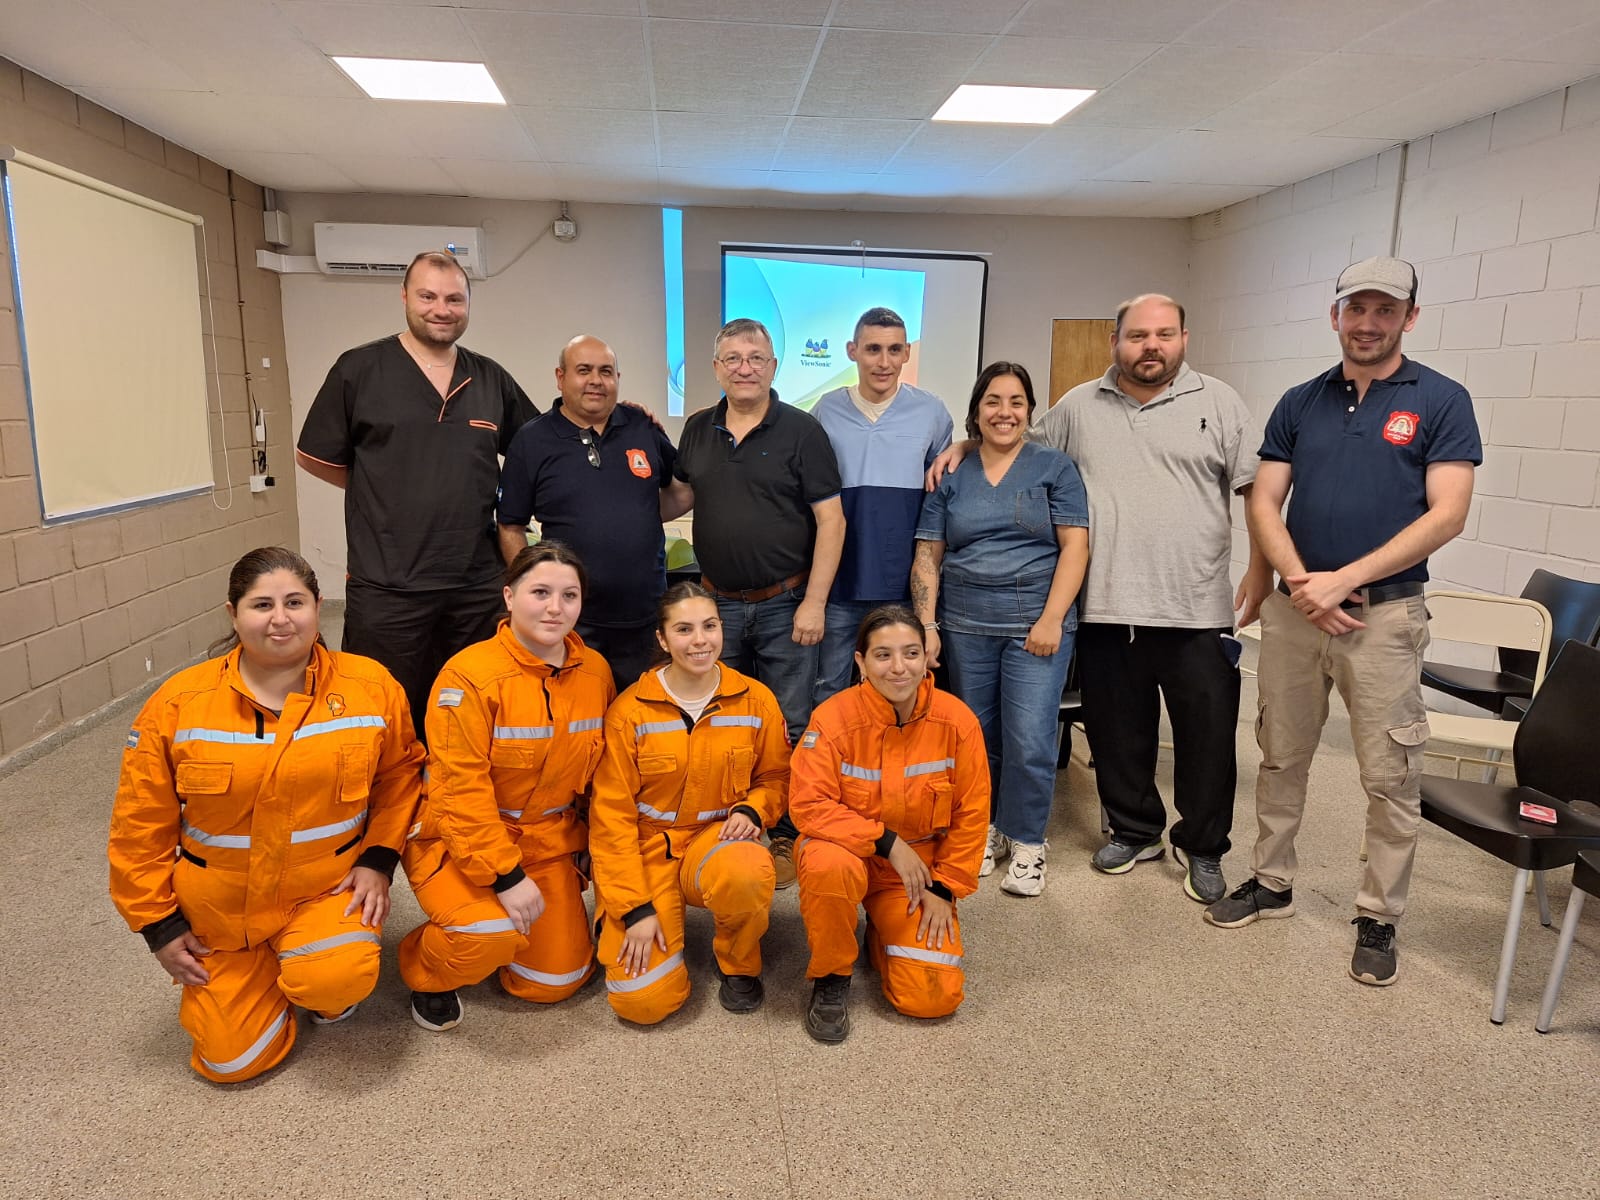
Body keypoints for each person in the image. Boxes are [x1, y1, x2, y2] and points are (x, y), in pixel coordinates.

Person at [1203, 257, 1481, 988]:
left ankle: (1378, 916)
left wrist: (1345, 580)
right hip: (1297, 613)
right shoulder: (1300, 402)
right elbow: (1265, 501)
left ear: (1409, 317)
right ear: (1335, 316)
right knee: (1280, 753)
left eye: (1385, 310)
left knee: (1389, 773)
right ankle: (1271, 881)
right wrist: (1302, 584)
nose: (1368, 323)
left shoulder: (1441, 400)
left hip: (1383, 617)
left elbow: (1448, 513)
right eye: (1355, 308)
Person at [108, 547, 424, 1083]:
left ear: (318, 607)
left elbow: (401, 776)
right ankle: (264, 976)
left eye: (295, 602)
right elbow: (139, 826)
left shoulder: (370, 687)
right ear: (233, 614)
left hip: (326, 888)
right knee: (229, 1062)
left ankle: (314, 975)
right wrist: (158, 925)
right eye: (262, 605)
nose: (281, 619)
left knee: (336, 978)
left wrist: (378, 859)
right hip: (222, 910)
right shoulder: (179, 703)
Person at [1034, 295, 1272, 904]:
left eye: (1164, 334)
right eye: (1138, 335)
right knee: (1116, 734)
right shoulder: (1078, 405)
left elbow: (1259, 491)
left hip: (1196, 608)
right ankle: (1135, 831)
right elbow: (1018, 453)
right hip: (1107, 606)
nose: (1151, 346)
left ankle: (1203, 846)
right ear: (1115, 340)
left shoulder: (1219, 402)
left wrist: (1262, 568)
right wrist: (961, 449)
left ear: (1184, 338)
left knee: (1207, 740)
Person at [296, 250, 539, 736]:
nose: (441, 309)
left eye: (454, 299)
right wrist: (383, 490)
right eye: (428, 296)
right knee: (384, 713)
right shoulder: (359, 369)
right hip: (388, 584)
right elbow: (314, 456)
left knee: (471, 710)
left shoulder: (489, 377)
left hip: (474, 585)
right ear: (404, 296)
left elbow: (539, 446)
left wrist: (620, 416)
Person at [398, 542, 613, 1031]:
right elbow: (459, 792)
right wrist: (506, 878)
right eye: (540, 592)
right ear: (510, 596)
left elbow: (600, 776)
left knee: (554, 982)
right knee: (483, 934)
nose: (555, 608)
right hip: (457, 839)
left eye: (569, 595)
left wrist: (592, 845)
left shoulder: (595, 673)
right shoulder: (468, 677)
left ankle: (502, 934)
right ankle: (430, 967)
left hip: (548, 839)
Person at [674, 317, 845, 889]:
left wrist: (814, 602)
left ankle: (788, 833)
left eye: (755, 358)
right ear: (716, 368)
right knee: (722, 722)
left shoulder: (802, 431)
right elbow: (680, 495)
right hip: (716, 606)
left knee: (788, 724)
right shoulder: (697, 429)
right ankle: (726, 825)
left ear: (773, 367)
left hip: (785, 603)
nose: (744, 368)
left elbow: (832, 520)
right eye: (733, 358)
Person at [911, 362, 1089, 897]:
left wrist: (1052, 618)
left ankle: (1028, 839)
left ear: (1030, 411)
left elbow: (1075, 547)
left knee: (1030, 738)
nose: (1004, 412)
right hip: (965, 624)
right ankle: (984, 828)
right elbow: (928, 554)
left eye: (1016, 402)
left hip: (1036, 624)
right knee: (976, 739)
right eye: (993, 401)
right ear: (976, 410)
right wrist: (927, 624)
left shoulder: (1054, 467)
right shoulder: (951, 473)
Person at [588, 582, 790, 1023]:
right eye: (684, 629)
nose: (700, 640)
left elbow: (776, 776)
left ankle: (738, 962)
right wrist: (633, 907)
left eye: (709, 626)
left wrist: (754, 808)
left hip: (717, 842)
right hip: (647, 852)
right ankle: (622, 920)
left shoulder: (756, 700)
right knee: (642, 1003)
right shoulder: (629, 712)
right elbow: (610, 820)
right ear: (662, 639)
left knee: (748, 869)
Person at [790, 606, 989, 1043]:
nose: (899, 667)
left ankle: (881, 934)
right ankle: (832, 975)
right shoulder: (832, 719)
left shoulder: (957, 722)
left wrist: (946, 886)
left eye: (911, 653)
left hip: (917, 875)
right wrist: (885, 840)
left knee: (932, 997)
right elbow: (807, 805)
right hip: (850, 855)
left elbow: (972, 814)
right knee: (826, 863)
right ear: (860, 662)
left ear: (926, 656)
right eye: (883, 655)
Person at [497, 335, 694, 693]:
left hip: (645, 617)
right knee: (578, 714)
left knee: (645, 714)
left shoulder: (641, 426)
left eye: (605, 371)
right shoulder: (531, 440)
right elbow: (510, 524)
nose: (596, 381)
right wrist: (532, 593)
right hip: (571, 622)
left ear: (617, 378)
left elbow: (678, 492)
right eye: (583, 370)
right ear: (560, 378)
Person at [812, 307, 953, 705]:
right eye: (873, 349)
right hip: (839, 584)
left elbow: (943, 487)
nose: (884, 362)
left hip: (901, 585)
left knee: (901, 691)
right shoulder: (824, 411)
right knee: (830, 689)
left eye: (894, 350)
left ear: (907, 352)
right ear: (852, 351)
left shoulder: (931, 412)